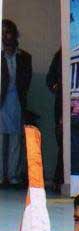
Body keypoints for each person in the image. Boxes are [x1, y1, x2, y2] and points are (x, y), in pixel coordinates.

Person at [0, 20, 32, 187]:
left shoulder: (25, 57)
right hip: (1, 102)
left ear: (14, 34)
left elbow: (26, 81)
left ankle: (13, 176)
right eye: (2, 33)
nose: (5, 36)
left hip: (16, 101)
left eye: (7, 32)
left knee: (15, 140)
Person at [45, 49, 62, 192]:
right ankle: (59, 179)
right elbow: (50, 79)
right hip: (61, 104)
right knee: (61, 140)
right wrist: (56, 87)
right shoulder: (59, 55)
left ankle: (59, 178)